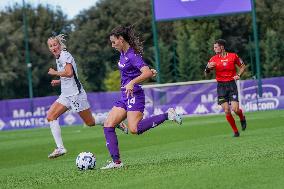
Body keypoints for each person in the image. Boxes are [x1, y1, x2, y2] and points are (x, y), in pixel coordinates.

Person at [100, 25, 182, 170]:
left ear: (121, 39)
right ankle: (116, 162)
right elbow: (142, 70)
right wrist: (148, 72)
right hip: (125, 95)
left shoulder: (131, 54)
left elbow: (145, 72)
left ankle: (168, 115)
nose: (112, 45)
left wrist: (135, 80)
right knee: (108, 124)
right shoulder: (123, 53)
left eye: (114, 42)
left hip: (135, 95)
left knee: (134, 129)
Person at [46, 34, 127, 159]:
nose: (53, 47)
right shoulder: (59, 57)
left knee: (90, 122)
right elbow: (71, 76)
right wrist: (59, 81)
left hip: (75, 95)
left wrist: (55, 73)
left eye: (55, 45)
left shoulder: (64, 55)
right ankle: (60, 148)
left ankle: (114, 120)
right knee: (51, 116)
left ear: (60, 45)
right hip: (66, 95)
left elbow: (69, 73)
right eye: (50, 46)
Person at [204, 39, 247, 137]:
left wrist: (239, 75)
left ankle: (242, 117)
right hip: (221, 86)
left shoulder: (233, 56)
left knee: (235, 109)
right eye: (214, 47)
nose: (214, 49)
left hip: (231, 85)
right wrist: (207, 68)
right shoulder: (213, 59)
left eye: (216, 47)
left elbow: (243, 66)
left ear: (222, 47)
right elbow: (205, 74)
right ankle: (235, 131)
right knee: (227, 110)